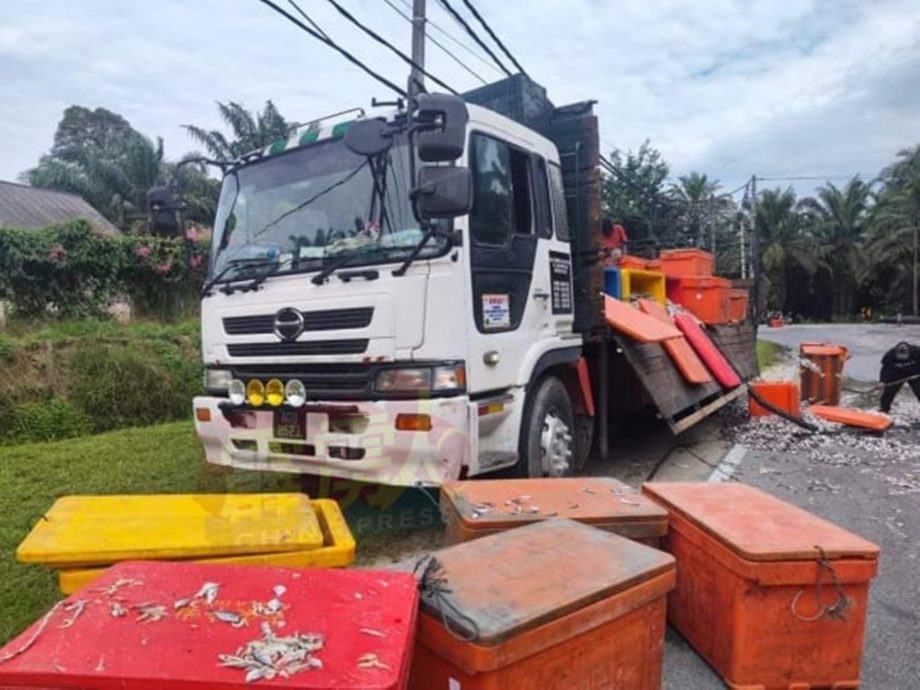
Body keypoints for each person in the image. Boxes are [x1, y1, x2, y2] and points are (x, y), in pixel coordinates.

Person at [879, 341, 920, 413]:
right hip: (897, 374)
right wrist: (882, 381)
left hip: (915, 373)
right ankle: (884, 411)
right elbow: (885, 369)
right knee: (888, 393)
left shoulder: (917, 351)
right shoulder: (890, 355)